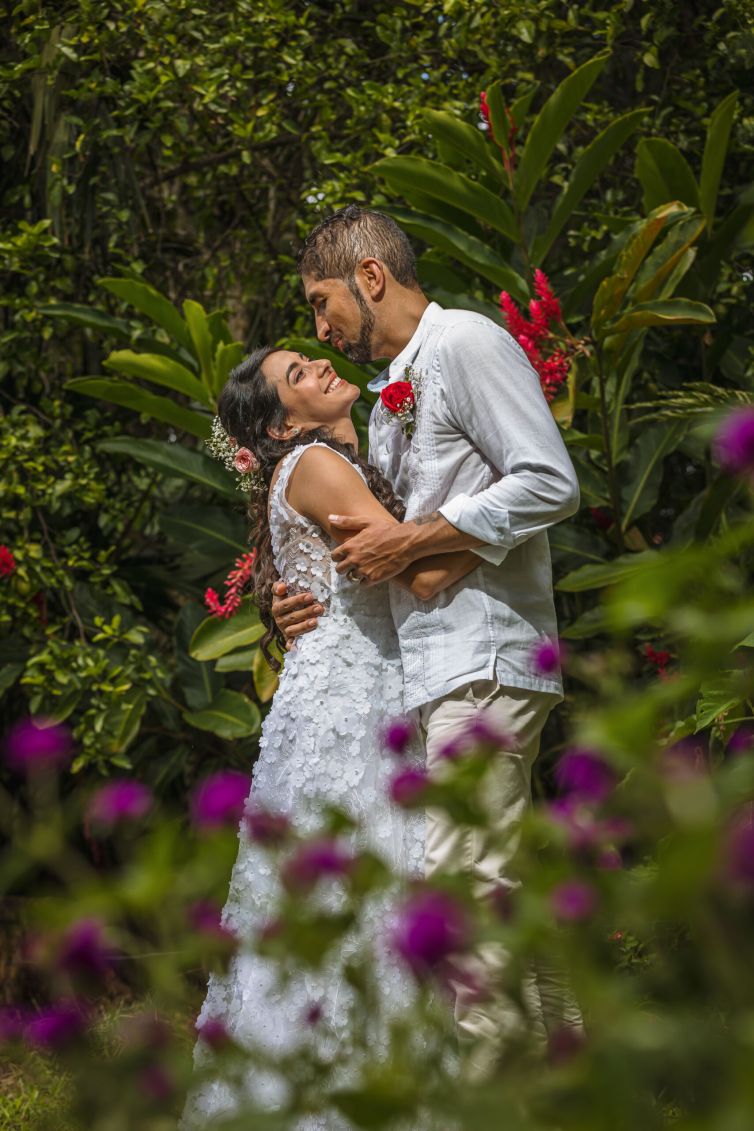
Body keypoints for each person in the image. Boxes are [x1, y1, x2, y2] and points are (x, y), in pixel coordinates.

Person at [271, 205, 583, 1076]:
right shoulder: (385, 402)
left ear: (371, 276)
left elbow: (551, 480)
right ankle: (578, 1082)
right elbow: (382, 544)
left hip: (485, 656)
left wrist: (411, 541)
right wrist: (290, 597)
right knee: (496, 889)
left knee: (461, 900)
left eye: (321, 302)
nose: (321, 327)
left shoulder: (467, 344)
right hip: (441, 667)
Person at [180, 346, 479, 1129]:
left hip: (331, 708)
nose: (318, 362)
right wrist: (515, 508)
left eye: (309, 356)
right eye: (297, 374)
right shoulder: (315, 462)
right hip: (355, 708)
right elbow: (417, 572)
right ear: (283, 422)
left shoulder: (340, 455)